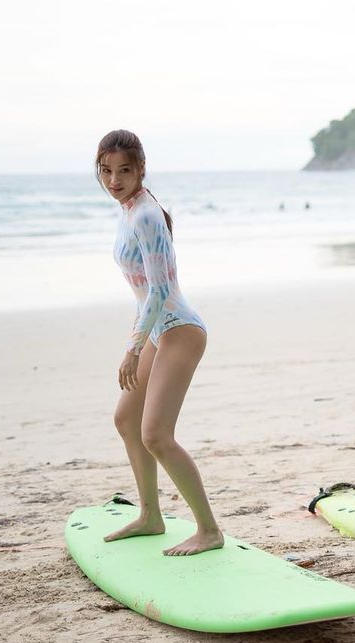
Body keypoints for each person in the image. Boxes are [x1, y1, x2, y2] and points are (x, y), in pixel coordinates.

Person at [96, 130, 224, 556]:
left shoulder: (147, 215)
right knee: (126, 420)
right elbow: (142, 294)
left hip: (180, 332)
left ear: (141, 170)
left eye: (124, 171)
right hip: (156, 330)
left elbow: (157, 290)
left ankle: (209, 530)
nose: (114, 179)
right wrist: (137, 339)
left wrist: (132, 348)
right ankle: (151, 516)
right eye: (106, 170)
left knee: (156, 434)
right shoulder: (128, 209)